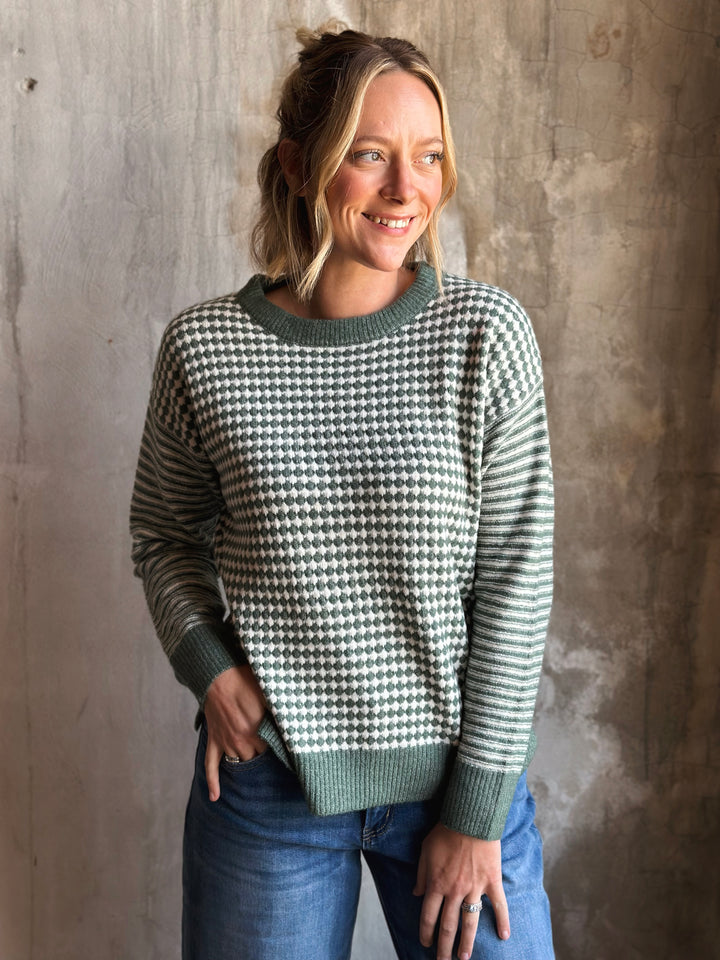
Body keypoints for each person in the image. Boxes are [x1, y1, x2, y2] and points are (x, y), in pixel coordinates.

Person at [130, 23, 555, 960]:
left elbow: (515, 584)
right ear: (300, 162)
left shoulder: (484, 336)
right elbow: (164, 533)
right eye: (371, 155)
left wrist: (475, 812)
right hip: (268, 789)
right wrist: (211, 666)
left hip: (456, 788)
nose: (409, 189)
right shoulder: (206, 349)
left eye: (429, 156)